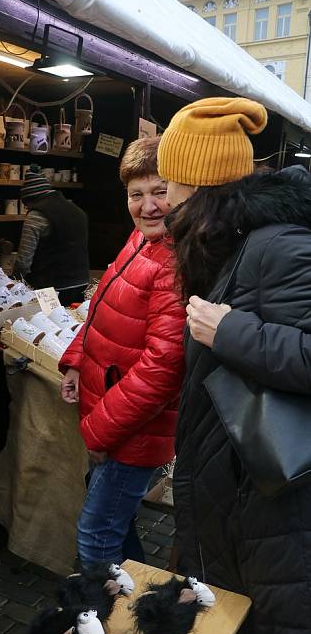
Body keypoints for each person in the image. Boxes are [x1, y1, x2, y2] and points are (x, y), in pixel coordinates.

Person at [157, 97, 311, 634]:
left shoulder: (278, 247)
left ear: (199, 184)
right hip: (233, 498)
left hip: (279, 508)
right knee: (222, 633)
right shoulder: (222, 245)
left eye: (168, 182)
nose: (160, 197)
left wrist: (233, 333)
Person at [59, 137, 186, 568]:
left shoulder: (175, 264)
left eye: (160, 192)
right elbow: (101, 309)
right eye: (136, 194)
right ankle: (136, 609)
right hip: (115, 420)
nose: (148, 206)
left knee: (96, 539)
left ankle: (104, 623)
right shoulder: (139, 241)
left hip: (132, 434)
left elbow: (163, 369)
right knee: (119, 524)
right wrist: (76, 360)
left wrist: (99, 433)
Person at [12, 165, 89, 306]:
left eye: (26, 205)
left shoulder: (36, 215)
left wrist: (14, 283)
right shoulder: (78, 211)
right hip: (82, 283)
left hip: (51, 289)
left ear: (31, 198)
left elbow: (24, 261)